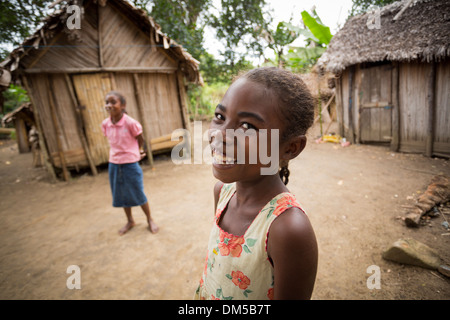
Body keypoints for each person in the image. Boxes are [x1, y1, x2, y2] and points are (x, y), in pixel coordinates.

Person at [194, 67, 318, 300]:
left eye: (247, 127)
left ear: (290, 147)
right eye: (220, 117)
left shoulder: (288, 229)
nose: (221, 135)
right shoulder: (222, 193)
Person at [101, 91, 159, 235]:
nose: (109, 105)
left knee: (138, 192)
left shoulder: (130, 123)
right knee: (121, 195)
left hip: (130, 164)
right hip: (114, 163)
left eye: (113, 102)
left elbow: (140, 139)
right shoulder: (105, 124)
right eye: (107, 102)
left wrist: (139, 150)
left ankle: (149, 219)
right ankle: (130, 220)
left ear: (123, 105)